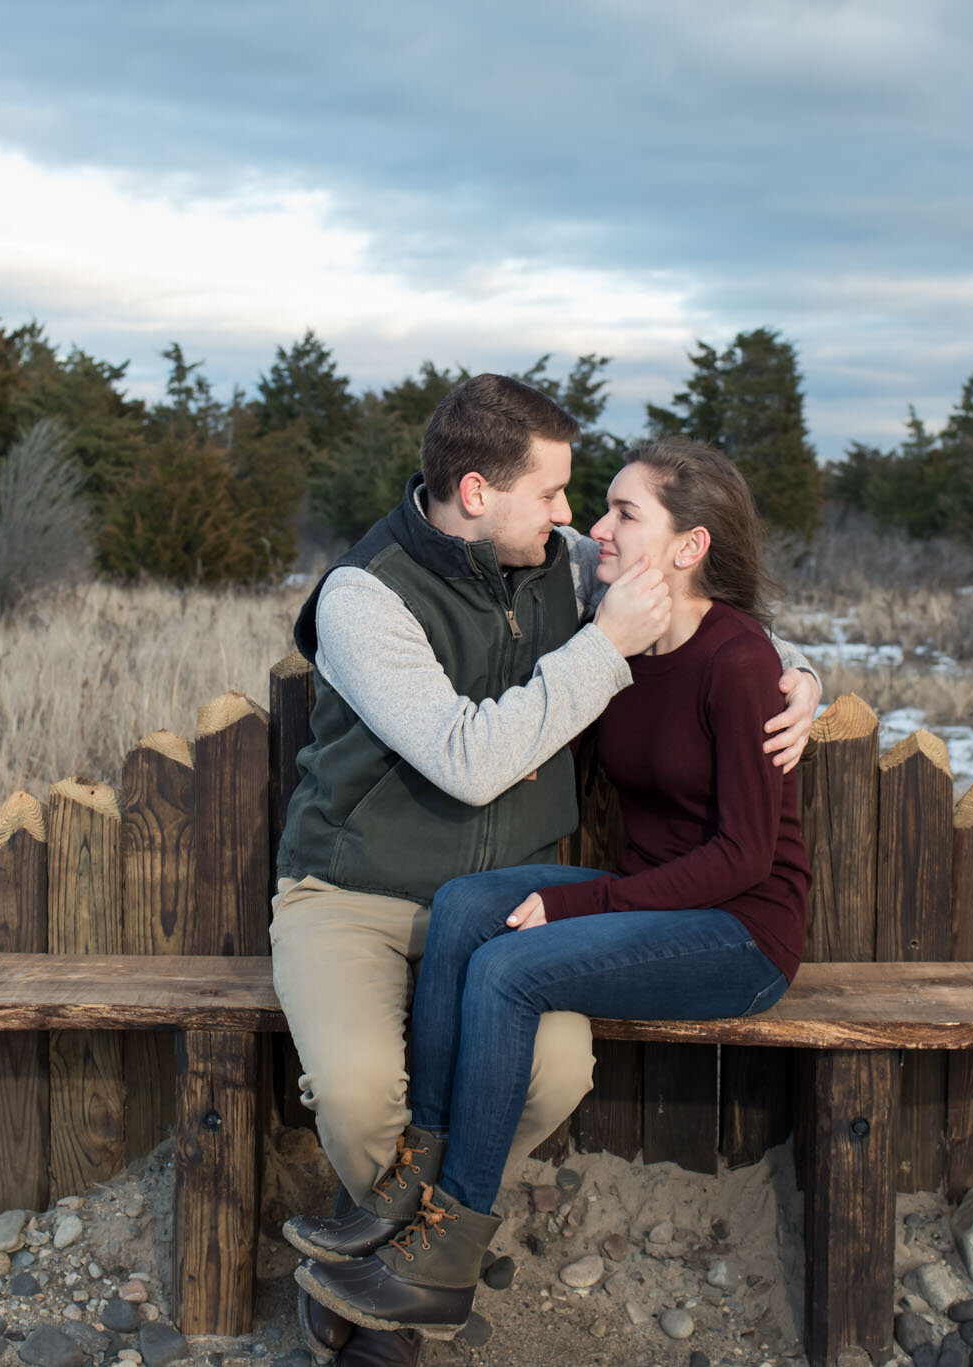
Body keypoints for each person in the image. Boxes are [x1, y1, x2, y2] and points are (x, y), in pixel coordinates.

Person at [272, 378, 822, 1365]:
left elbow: (718, 621)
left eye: (596, 502)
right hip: (357, 889)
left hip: (523, 900)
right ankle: (405, 1263)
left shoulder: (561, 564)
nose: (576, 522)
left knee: (552, 1070)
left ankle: (424, 1221)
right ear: (476, 492)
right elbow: (471, 756)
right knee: (358, 1094)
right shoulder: (364, 597)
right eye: (559, 495)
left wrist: (806, 678)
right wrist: (603, 646)